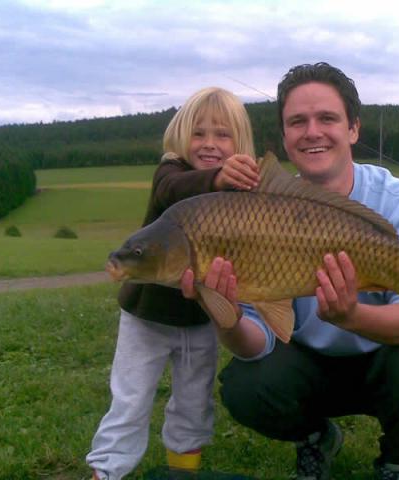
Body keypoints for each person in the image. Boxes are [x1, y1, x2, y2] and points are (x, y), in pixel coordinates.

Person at [181, 63, 399, 480]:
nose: (312, 131)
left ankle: (398, 460)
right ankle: (315, 437)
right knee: (245, 385)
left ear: (353, 129)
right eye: (298, 122)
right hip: (306, 366)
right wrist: (227, 317)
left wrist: (352, 316)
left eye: (327, 118)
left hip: (386, 361)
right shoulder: (253, 212)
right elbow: (255, 345)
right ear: (286, 136)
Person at [87, 87, 260, 480]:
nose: (210, 144)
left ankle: (183, 470)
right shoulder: (171, 173)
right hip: (146, 317)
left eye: (222, 135)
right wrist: (216, 178)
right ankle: (106, 471)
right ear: (181, 136)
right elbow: (175, 191)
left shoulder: (243, 194)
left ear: (240, 143)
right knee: (130, 399)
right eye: (199, 133)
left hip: (200, 319)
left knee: (194, 402)